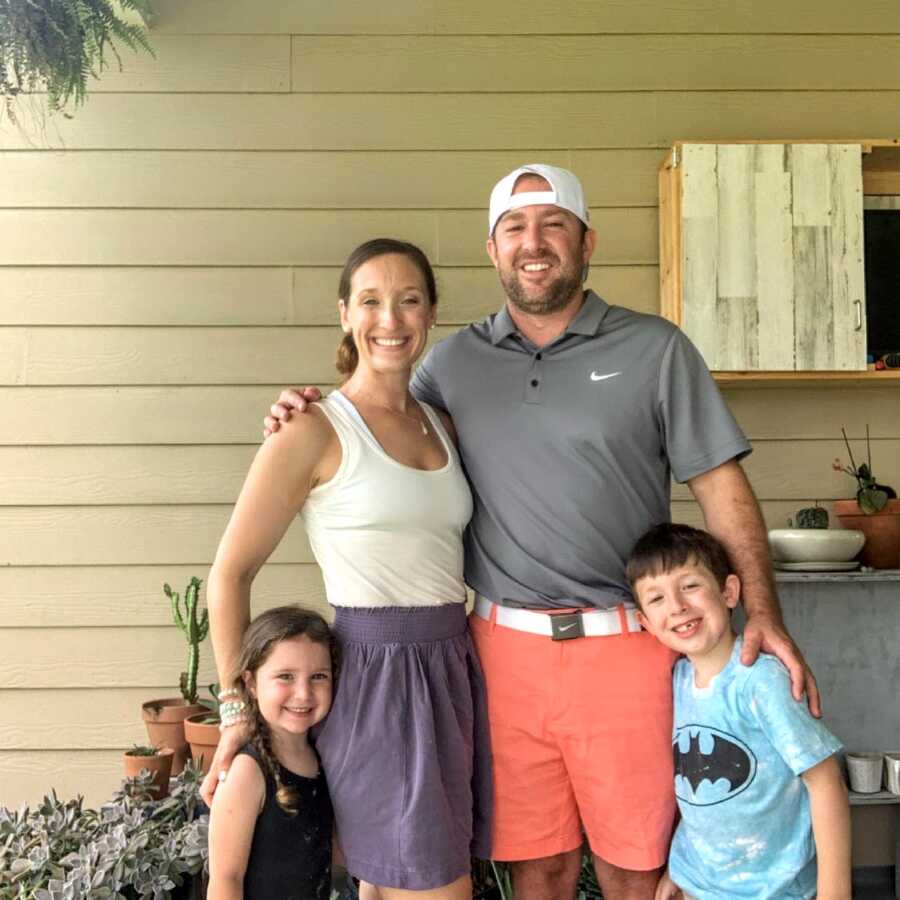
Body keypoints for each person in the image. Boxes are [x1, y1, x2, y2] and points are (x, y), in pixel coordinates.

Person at [261, 164, 819, 900]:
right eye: (515, 229)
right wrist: (300, 410)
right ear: (492, 251)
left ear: (587, 242)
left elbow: (723, 489)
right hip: (501, 652)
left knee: (636, 865)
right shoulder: (450, 364)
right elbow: (381, 418)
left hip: (627, 647)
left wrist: (766, 616)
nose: (534, 243)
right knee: (540, 868)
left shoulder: (656, 350)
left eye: (553, 225)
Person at [204, 238, 491, 900]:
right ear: (344, 314)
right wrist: (236, 711)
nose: (389, 319)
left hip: (451, 669)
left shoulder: (441, 422)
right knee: (433, 885)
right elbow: (229, 574)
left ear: (431, 314)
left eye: (408, 300)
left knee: (395, 881)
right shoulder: (311, 428)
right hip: (378, 676)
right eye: (370, 301)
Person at [626, 524, 850, 900]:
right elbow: (696, 785)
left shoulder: (759, 681)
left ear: (729, 591)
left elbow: (825, 781)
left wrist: (835, 893)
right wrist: (681, 870)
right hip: (701, 886)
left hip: (774, 889)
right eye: (657, 598)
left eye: (690, 585)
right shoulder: (677, 680)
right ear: (646, 623)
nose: (678, 606)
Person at [207, 605, 337, 900]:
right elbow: (226, 878)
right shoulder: (246, 771)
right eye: (285, 677)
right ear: (251, 683)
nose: (303, 693)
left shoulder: (322, 758)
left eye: (318, 676)